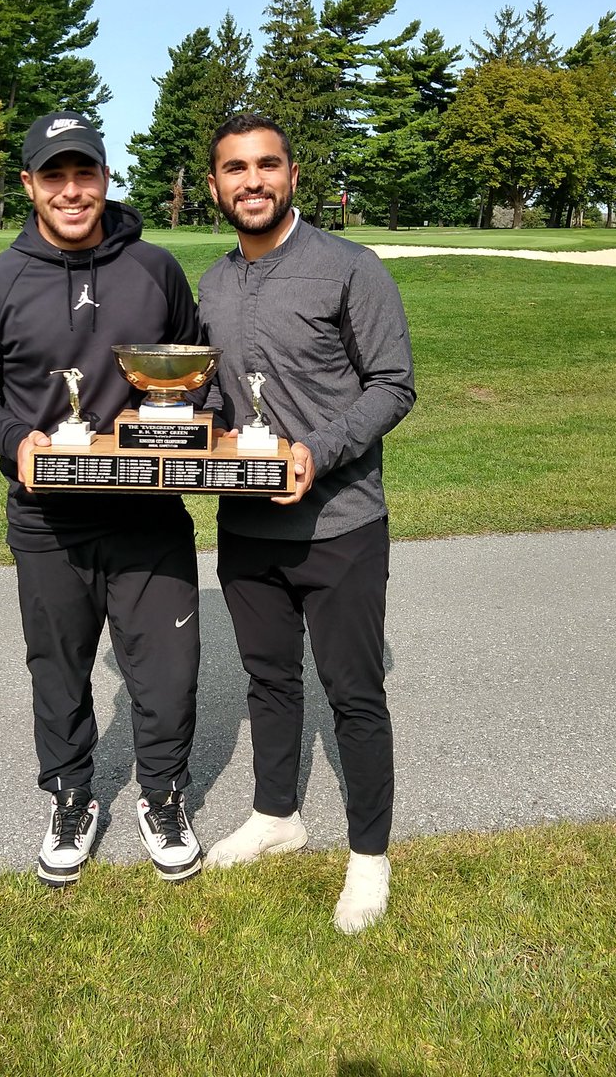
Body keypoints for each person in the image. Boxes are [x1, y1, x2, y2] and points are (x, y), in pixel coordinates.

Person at [0, 112, 203, 887]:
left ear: (104, 178)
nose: (70, 190)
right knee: (58, 671)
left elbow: (194, 368)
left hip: (148, 514)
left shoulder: (155, 268)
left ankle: (163, 796)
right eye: (53, 176)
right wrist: (14, 438)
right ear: (30, 185)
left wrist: (194, 431)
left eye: (83, 173)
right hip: (47, 520)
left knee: (167, 675)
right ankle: (71, 797)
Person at [198, 113, 415, 932]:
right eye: (235, 168)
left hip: (341, 524)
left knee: (353, 693)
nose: (251, 181)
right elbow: (213, 396)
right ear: (214, 185)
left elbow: (392, 384)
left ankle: (369, 858)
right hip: (247, 527)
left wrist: (316, 453)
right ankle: (276, 815)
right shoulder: (212, 284)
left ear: (292, 175)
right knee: (268, 680)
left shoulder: (351, 267)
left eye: (267, 165)